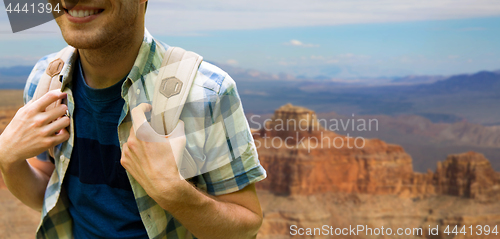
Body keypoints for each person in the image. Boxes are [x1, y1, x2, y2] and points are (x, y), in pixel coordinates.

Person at [0, 0, 267, 238]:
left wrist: (174, 193)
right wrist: (8, 160)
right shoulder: (45, 80)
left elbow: (246, 228)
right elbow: (48, 192)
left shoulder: (208, 93)